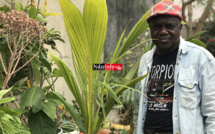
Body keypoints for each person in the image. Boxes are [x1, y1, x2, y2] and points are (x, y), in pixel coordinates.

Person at [133, 1, 215, 134]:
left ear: (179, 28)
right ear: (150, 29)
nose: (163, 31)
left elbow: (212, 112)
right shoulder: (145, 60)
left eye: (170, 26)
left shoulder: (201, 59)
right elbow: (138, 108)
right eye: (157, 27)